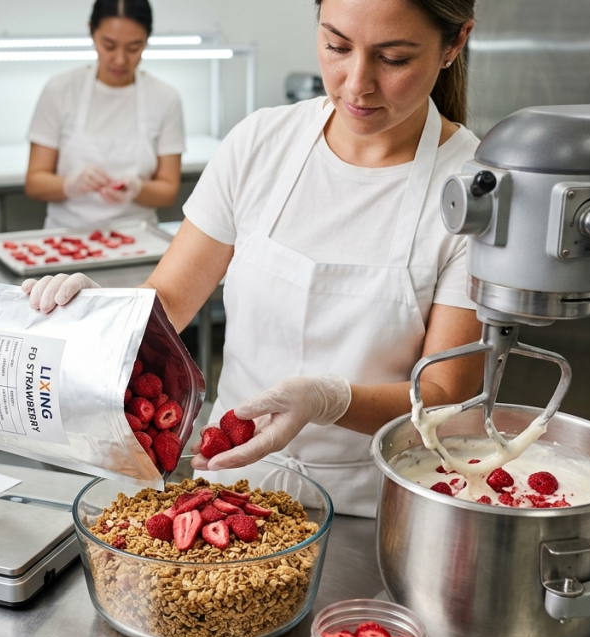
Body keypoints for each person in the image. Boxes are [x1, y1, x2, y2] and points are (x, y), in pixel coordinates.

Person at [24, 0, 484, 518]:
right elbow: (171, 301)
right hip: (229, 485)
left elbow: (445, 395)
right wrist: (101, 313)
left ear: (455, 43)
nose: (356, 84)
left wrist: (330, 400)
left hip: (378, 501)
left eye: (394, 59)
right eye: (336, 46)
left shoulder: (474, 192)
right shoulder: (260, 143)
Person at [24, 0, 185, 229]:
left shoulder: (165, 98)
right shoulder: (60, 90)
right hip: (67, 237)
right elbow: (35, 183)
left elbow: (168, 191)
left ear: (147, 40)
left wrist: (138, 189)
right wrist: (71, 185)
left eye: (133, 48)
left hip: (138, 238)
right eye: (109, 45)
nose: (120, 59)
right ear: (92, 31)